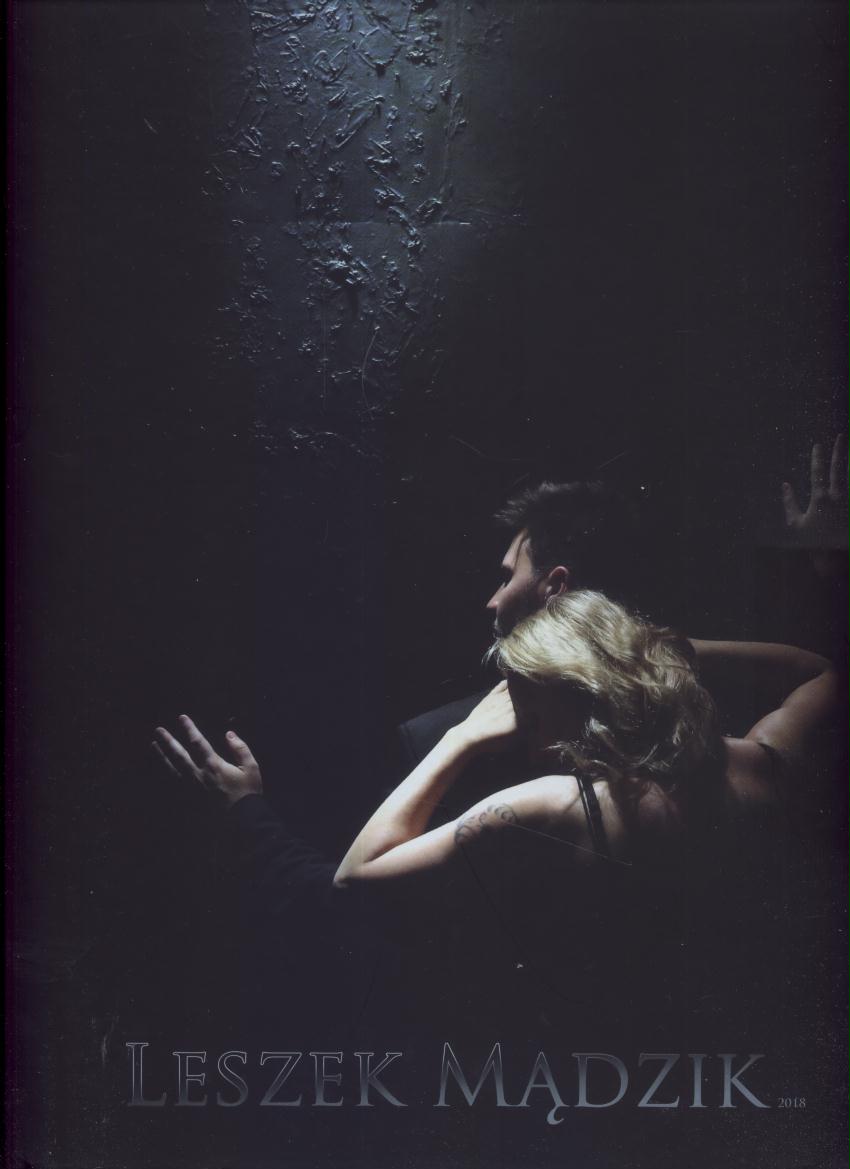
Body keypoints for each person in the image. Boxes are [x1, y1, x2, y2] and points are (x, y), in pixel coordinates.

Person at [332, 591, 838, 1041]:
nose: (530, 746)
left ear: (580, 690)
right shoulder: (765, 763)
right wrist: (655, 649)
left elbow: (355, 876)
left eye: (529, 719)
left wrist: (460, 738)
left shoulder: (555, 807)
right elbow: (821, 672)